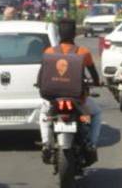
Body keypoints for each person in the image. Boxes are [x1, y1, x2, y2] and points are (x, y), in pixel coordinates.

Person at [39, 18, 102, 165]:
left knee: (44, 115)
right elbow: (94, 76)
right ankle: (91, 144)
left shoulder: (49, 52)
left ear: (59, 35)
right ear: (74, 34)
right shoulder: (83, 52)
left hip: (54, 99)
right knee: (95, 115)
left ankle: (46, 143)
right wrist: (97, 83)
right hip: (78, 99)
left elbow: (41, 75)